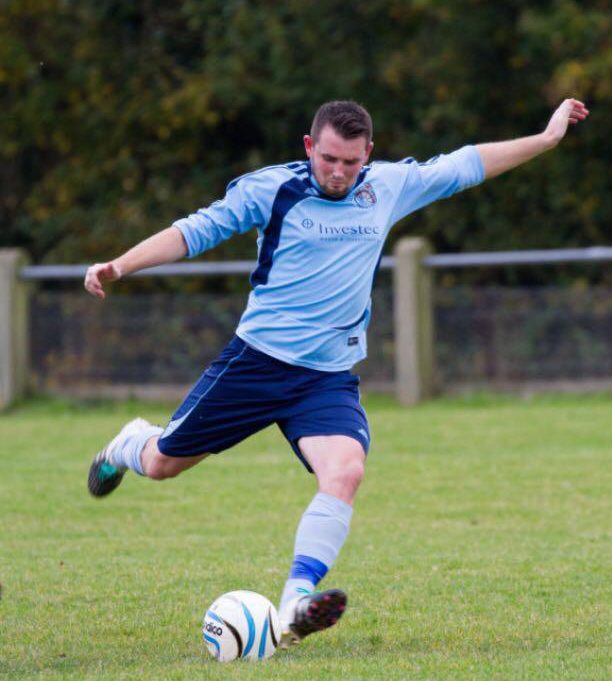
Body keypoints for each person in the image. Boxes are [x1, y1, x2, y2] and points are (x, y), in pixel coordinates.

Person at [84, 98, 588, 647]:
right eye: (328, 159)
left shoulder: (388, 186)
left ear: (367, 153)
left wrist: (545, 139)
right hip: (256, 364)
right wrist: (121, 264)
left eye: (351, 161)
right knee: (162, 465)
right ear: (309, 147)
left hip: (327, 378)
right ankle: (128, 443)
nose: (339, 172)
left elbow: (465, 164)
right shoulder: (272, 190)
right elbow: (195, 231)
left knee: (346, 471)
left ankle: (295, 603)